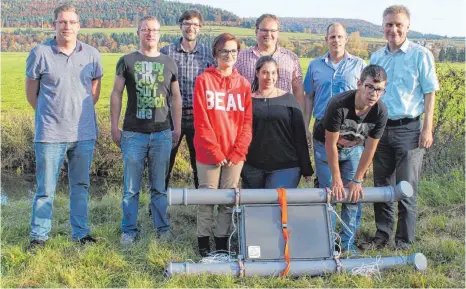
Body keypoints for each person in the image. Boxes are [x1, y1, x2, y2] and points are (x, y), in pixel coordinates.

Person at [360, 5, 439, 251]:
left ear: (407, 27)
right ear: (383, 27)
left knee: (406, 188)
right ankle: (382, 235)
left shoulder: (420, 55)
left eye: (398, 25)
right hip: (380, 129)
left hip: (409, 129)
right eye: (389, 24)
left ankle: (404, 241)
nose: (393, 29)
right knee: (382, 186)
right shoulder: (377, 58)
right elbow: (369, 96)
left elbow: (429, 93)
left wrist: (427, 128)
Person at [25, 4, 103, 250]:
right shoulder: (40, 53)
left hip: (83, 134)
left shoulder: (92, 54)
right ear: (54, 25)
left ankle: (80, 233)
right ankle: (39, 237)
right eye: (62, 22)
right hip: (49, 134)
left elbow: (94, 93)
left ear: (79, 25)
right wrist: (51, 115)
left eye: (72, 22)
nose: (67, 26)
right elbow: (31, 95)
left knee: (80, 186)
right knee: (45, 189)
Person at [110, 15, 182, 245]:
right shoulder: (126, 61)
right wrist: (114, 126)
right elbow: (116, 94)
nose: (150, 33)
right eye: (145, 29)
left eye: (154, 30)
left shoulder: (169, 62)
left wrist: (177, 128)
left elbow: (176, 98)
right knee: (131, 188)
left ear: (160, 34)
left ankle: (162, 228)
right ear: (138, 33)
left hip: (162, 133)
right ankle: (128, 230)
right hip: (133, 134)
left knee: (159, 187)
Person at [314, 65, 388, 254]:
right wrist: (337, 179)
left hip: (355, 148)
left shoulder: (380, 111)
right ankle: (328, 246)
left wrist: (357, 180)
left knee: (353, 196)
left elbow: (370, 148)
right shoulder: (338, 104)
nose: (373, 93)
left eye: (379, 89)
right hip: (326, 147)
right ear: (359, 84)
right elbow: (330, 144)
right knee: (331, 194)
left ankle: (347, 245)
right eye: (369, 87)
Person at [193, 33, 252, 256]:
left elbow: (247, 122)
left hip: (235, 154)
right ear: (216, 53)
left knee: (228, 200)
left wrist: (238, 151)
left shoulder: (243, 84)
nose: (229, 55)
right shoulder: (204, 81)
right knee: (207, 198)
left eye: (233, 51)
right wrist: (216, 151)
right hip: (209, 152)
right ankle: (203, 245)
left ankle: (221, 246)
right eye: (224, 51)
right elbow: (202, 121)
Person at [303, 22, 366, 222]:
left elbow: (367, 100)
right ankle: (329, 239)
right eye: (332, 37)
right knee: (328, 190)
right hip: (323, 133)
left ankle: (348, 240)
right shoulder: (315, 65)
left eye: (339, 36)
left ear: (346, 39)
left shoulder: (359, 65)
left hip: (351, 135)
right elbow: (309, 97)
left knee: (352, 190)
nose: (336, 40)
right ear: (326, 40)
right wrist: (306, 125)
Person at [161, 9, 214, 190]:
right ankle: (158, 208)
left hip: (199, 117)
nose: (191, 28)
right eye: (187, 24)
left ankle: (202, 208)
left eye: (195, 24)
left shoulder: (208, 54)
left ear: (200, 28)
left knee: (199, 165)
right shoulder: (167, 51)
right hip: (170, 117)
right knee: (164, 164)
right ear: (180, 26)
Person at [241, 56, 313, 188]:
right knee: (254, 206)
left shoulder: (289, 100)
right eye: (265, 72)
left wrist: (306, 167)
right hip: (252, 166)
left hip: (286, 167)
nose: (269, 77)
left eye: (273, 73)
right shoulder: (246, 101)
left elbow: (299, 136)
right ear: (257, 73)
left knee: (277, 205)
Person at [235, 14, 305, 110]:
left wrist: (300, 119)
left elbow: (298, 91)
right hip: (250, 117)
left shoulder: (291, 58)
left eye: (272, 31)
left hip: (283, 118)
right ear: (256, 31)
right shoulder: (241, 57)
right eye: (264, 30)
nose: (268, 34)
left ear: (278, 33)